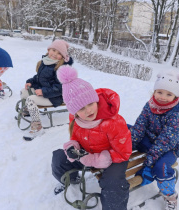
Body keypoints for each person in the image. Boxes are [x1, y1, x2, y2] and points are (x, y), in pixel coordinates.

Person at [51, 65, 132, 210]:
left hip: (114, 157)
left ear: (96, 100)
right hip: (87, 152)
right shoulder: (75, 119)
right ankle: (72, 180)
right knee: (58, 158)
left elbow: (123, 153)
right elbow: (75, 137)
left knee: (113, 184)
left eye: (90, 104)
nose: (88, 110)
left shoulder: (113, 122)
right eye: (81, 108)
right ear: (74, 112)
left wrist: (96, 159)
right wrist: (72, 147)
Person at [128, 70, 179, 210]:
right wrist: (129, 144)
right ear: (154, 91)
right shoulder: (150, 105)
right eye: (160, 92)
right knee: (127, 129)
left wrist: (149, 161)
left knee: (160, 168)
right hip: (150, 141)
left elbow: (165, 141)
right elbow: (140, 126)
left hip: (169, 148)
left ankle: (170, 196)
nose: (163, 97)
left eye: (169, 94)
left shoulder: (177, 115)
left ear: (176, 96)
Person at [20, 39, 73, 139]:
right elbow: (39, 77)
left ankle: (37, 128)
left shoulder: (61, 68)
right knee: (24, 92)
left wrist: (43, 92)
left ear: (62, 56)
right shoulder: (45, 62)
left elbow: (60, 88)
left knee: (30, 99)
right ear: (48, 50)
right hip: (45, 92)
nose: (54, 54)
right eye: (53, 50)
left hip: (56, 96)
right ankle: (29, 111)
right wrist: (30, 81)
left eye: (59, 53)